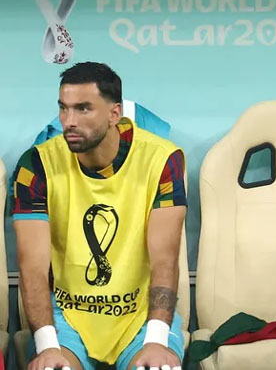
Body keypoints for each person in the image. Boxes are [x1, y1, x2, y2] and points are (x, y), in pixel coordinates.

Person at [11, 62, 187, 370]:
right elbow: (32, 267)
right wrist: (47, 346)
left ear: (114, 114)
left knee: (156, 368)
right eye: (63, 109)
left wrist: (157, 339)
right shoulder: (37, 164)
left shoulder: (162, 160)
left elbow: (165, 259)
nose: (69, 121)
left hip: (140, 316)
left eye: (83, 109)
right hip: (67, 318)